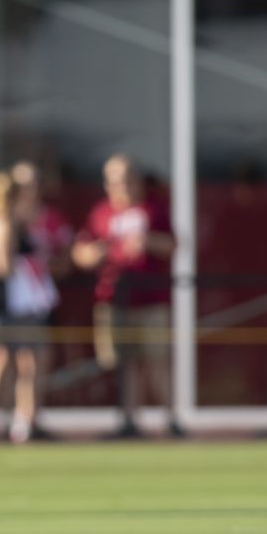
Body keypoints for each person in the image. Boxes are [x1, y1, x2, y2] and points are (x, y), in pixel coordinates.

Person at [72, 154, 184, 439]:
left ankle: (170, 420)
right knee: (123, 363)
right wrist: (93, 254)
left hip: (151, 299)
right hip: (114, 299)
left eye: (126, 179)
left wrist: (147, 242)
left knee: (157, 361)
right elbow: (80, 251)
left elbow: (173, 244)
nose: (121, 186)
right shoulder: (101, 214)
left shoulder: (153, 210)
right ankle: (128, 421)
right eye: (114, 180)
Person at [0, 169, 61, 443]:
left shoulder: (14, 222)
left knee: (28, 362)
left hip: (19, 305)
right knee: (2, 360)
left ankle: (24, 417)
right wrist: (30, 262)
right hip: (8, 305)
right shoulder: (2, 224)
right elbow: (2, 266)